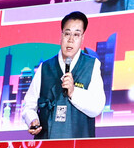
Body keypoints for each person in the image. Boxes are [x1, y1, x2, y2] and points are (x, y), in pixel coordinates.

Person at [21, 11, 105, 139]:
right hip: (47, 143)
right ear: (61, 36)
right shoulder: (45, 67)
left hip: (78, 145)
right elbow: (29, 105)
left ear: (82, 38)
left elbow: (97, 107)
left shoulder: (92, 65)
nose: (71, 40)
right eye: (67, 34)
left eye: (76, 35)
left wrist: (73, 92)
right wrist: (32, 120)